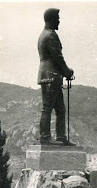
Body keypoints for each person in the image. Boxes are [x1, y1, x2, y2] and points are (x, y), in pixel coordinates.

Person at [37, 8, 75, 146]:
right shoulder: (51, 35)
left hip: (48, 76)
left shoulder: (43, 35)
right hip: (51, 76)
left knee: (60, 109)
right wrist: (67, 72)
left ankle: (60, 137)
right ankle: (46, 137)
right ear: (51, 19)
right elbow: (58, 58)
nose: (59, 21)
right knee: (48, 107)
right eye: (57, 18)